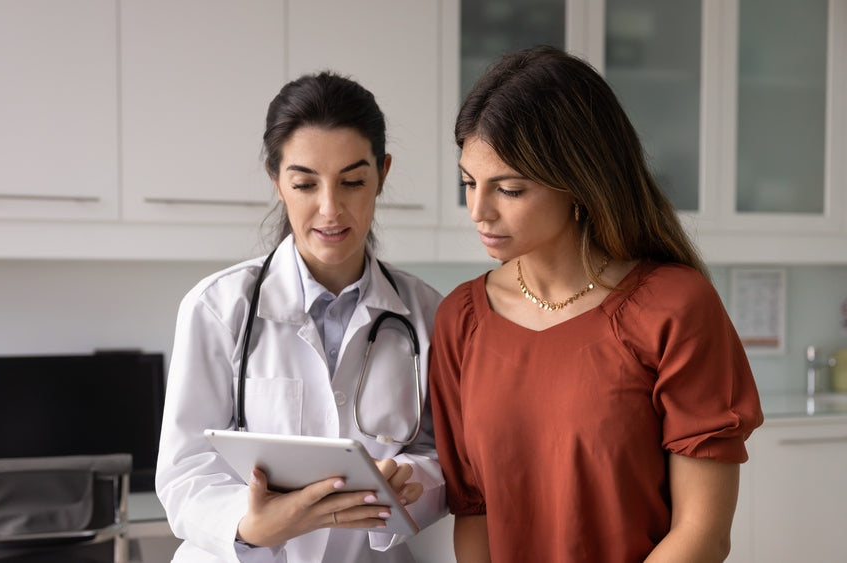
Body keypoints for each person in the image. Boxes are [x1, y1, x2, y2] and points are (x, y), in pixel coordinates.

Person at [429, 46, 764, 563]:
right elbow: (475, 512)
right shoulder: (462, 320)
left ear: (578, 182)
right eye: (469, 184)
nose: (478, 211)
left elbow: (701, 533)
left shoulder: (675, 309)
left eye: (510, 189)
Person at [156, 71, 447, 563]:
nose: (330, 209)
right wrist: (250, 525)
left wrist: (412, 480)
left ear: (383, 174)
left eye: (353, 181)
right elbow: (185, 473)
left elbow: (443, 454)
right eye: (305, 183)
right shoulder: (217, 309)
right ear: (277, 181)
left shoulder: (427, 314)